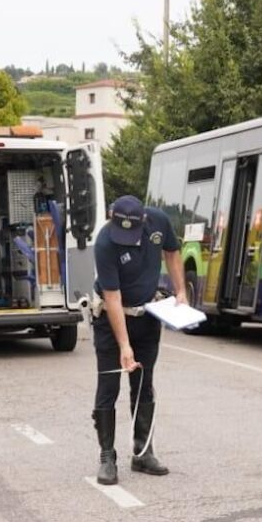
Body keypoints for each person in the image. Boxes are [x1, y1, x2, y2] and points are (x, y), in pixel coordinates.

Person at [91, 194, 188, 484]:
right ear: (111, 217)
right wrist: (124, 346)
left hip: (147, 314)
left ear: (143, 220)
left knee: (144, 384)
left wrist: (180, 290)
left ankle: (142, 451)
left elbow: (172, 252)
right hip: (111, 318)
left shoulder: (159, 220)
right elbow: (112, 296)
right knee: (109, 385)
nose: (126, 238)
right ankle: (107, 456)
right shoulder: (105, 242)